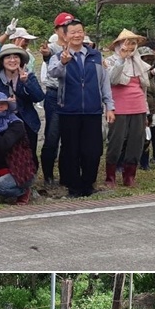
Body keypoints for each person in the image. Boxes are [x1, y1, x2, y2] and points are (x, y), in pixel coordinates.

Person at [48, 18, 114, 198]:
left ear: (84, 33)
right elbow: (53, 73)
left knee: (92, 150)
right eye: (72, 32)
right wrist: (63, 62)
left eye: (80, 31)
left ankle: (88, 183)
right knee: (71, 151)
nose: (77, 35)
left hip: (93, 111)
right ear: (65, 35)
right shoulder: (59, 56)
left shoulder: (96, 56)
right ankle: (74, 187)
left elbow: (104, 83)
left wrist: (110, 106)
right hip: (69, 111)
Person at [103, 30, 150, 188]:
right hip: (119, 106)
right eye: (126, 43)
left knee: (136, 141)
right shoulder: (109, 61)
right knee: (116, 141)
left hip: (138, 105)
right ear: (118, 45)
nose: (129, 46)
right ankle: (110, 176)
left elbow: (144, 87)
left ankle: (130, 175)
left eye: (133, 43)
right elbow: (112, 80)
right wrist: (121, 60)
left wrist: (148, 110)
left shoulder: (138, 62)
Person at [0, 43, 44, 173]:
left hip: (27, 120)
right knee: (7, 153)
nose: (12, 60)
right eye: (8, 57)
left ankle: (29, 181)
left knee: (30, 151)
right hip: (4, 121)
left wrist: (26, 82)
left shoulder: (28, 75)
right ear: (2, 61)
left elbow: (39, 97)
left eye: (16, 56)